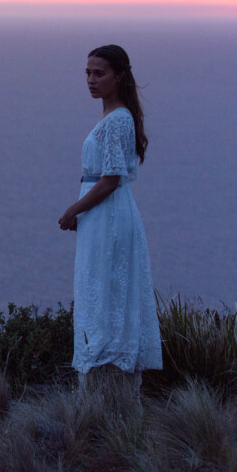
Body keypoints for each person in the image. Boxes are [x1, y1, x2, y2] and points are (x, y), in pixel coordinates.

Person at [58, 44, 162, 402]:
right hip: (103, 217)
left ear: (119, 76)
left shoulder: (118, 119)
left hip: (110, 217)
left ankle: (109, 388)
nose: (90, 80)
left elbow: (110, 178)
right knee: (100, 290)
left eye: (98, 73)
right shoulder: (112, 117)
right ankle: (103, 385)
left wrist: (74, 210)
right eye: (87, 73)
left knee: (107, 292)